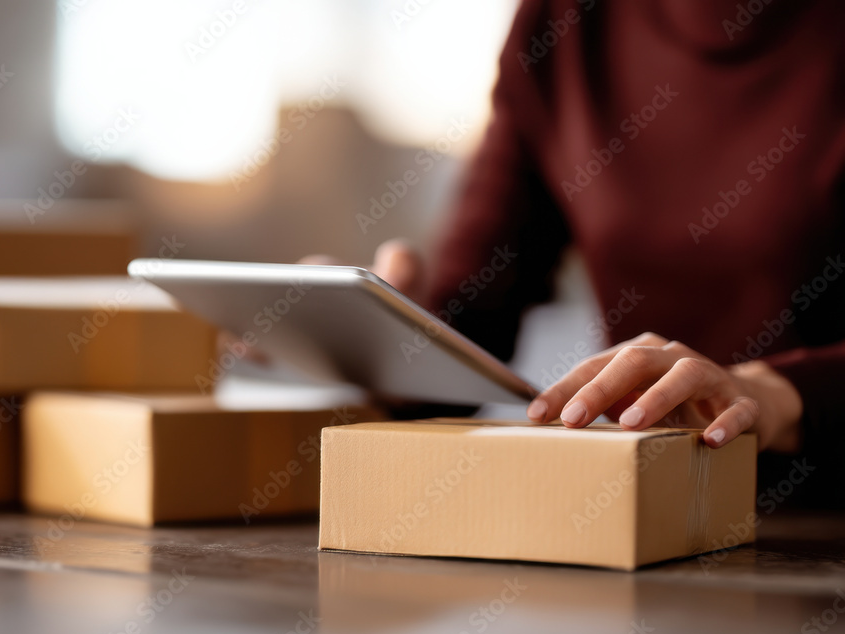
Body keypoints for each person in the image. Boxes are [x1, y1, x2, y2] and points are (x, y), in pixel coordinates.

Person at [312, 0, 845, 506]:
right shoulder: (561, 21)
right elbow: (473, 321)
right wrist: (375, 331)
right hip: (656, 515)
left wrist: (773, 393)